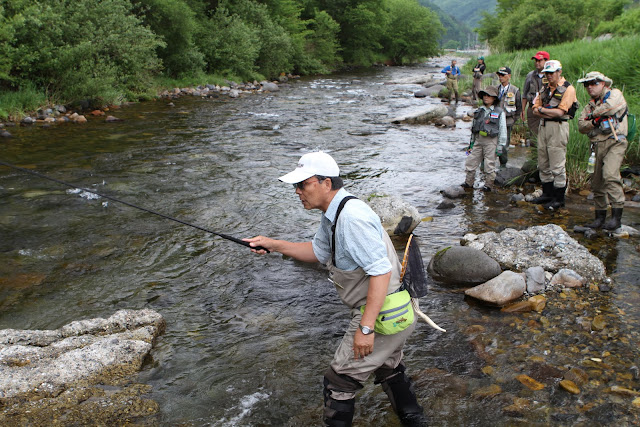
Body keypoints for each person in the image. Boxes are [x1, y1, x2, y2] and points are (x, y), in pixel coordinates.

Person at [245, 151, 427, 426]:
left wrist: (365, 329)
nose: (297, 192)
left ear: (326, 183)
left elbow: (380, 272)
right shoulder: (335, 212)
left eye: (303, 184)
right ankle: (414, 419)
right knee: (388, 367)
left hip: (380, 313)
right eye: (296, 186)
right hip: (394, 310)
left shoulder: (351, 218)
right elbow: (318, 252)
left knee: (339, 381)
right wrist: (274, 244)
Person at [577, 71, 629, 230]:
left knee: (610, 174)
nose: (590, 87)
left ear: (604, 84)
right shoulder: (589, 105)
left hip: (615, 142)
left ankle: (616, 218)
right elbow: (581, 125)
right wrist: (595, 121)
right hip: (596, 145)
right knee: (597, 181)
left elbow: (610, 108)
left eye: (594, 83)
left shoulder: (615, 94)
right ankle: (599, 218)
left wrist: (592, 117)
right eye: (587, 84)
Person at [531, 60, 578, 210]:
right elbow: (534, 108)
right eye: (547, 73)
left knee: (557, 164)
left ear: (559, 72)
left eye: (552, 73)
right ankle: (547, 194)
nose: (549, 76)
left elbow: (560, 112)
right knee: (543, 161)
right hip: (543, 126)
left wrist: (542, 111)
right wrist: (542, 111)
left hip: (558, 127)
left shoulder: (568, 89)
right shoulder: (545, 88)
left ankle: (559, 199)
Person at [461, 86, 507, 192]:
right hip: (478, 140)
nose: (486, 97)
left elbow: (503, 130)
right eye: (485, 95)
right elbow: (473, 128)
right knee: (471, 161)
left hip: (492, 141)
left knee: (489, 164)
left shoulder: (499, 112)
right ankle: (468, 182)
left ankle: (489, 185)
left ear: (494, 98)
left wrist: (500, 146)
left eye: (489, 95)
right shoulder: (479, 111)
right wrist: (471, 144)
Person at [522, 51, 550, 145]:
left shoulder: (550, 75)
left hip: (546, 109)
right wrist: (523, 110)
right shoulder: (530, 76)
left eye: (539, 60)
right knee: (533, 135)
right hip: (532, 109)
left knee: (546, 136)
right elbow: (525, 95)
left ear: (546, 61)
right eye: (536, 60)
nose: (537, 62)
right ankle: (534, 157)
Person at [496, 66, 522, 166]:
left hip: (508, 122)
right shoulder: (495, 90)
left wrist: (514, 119)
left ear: (509, 76)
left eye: (503, 75)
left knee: (504, 145)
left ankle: (503, 165)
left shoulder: (515, 90)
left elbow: (519, 107)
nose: (500, 77)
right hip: (495, 121)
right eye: (499, 75)